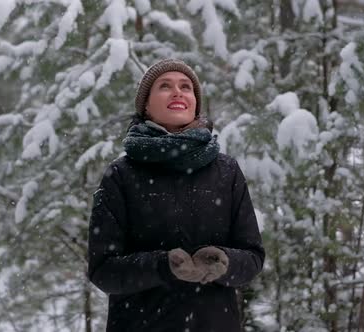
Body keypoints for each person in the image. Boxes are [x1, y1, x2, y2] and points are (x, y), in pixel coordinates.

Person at [87, 59, 265, 332]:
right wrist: (161, 266)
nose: (178, 92)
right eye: (165, 86)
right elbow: (103, 271)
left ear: (195, 103)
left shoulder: (226, 171)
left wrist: (224, 262)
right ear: (145, 105)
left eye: (186, 87)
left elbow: (252, 257)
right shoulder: (121, 175)